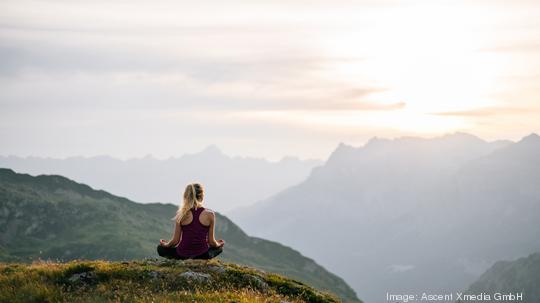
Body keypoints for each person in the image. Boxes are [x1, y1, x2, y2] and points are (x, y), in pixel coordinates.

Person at [157, 182, 225, 260]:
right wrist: (219, 244)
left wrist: (166, 245)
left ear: (186, 196)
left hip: (182, 255)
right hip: (202, 255)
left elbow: (175, 241)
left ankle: (185, 258)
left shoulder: (181, 214)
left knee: (160, 248)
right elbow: (211, 242)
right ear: (201, 196)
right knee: (219, 249)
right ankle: (198, 259)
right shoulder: (210, 214)